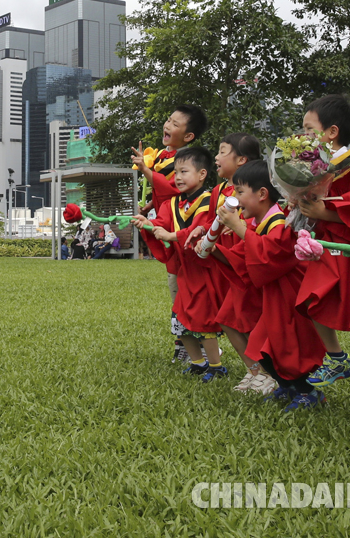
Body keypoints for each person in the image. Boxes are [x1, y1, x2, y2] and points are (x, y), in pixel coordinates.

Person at [215, 161, 326, 411]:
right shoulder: (261, 222)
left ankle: (308, 392)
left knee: (287, 347)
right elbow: (243, 255)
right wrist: (213, 249)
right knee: (261, 347)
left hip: (290, 297)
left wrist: (238, 227)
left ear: (262, 193)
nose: (235, 198)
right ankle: (286, 386)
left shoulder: (280, 222)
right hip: (275, 297)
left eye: (240, 191)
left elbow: (268, 257)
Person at [293, 96, 350, 387]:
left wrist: (325, 212)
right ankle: (335, 356)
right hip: (326, 242)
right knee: (311, 297)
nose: (303, 136)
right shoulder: (314, 166)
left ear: (332, 132)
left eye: (309, 129)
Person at [134, 146, 227, 381]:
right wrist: (147, 224)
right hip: (185, 271)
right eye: (175, 173)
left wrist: (171, 235)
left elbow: (203, 231)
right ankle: (198, 363)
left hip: (206, 270)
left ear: (202, 174)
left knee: (204, 321)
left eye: (184, 172)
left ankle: (216, 366)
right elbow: (161, 224)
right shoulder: (172, 204)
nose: (178, 177)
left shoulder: (211, 201)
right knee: (180, 319)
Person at [186, 133, 265, 392]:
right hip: (225, 261)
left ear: (241, 160)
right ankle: (254, 370)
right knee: (228, 318)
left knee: (248, 319)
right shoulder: (218, 191)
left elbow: (261, 222)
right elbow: (213, 221)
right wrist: (201, 230)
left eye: (222, 151)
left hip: (248, 263)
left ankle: (268, 372)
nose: (216, 157)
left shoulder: (253, 191)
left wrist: (241, 225)